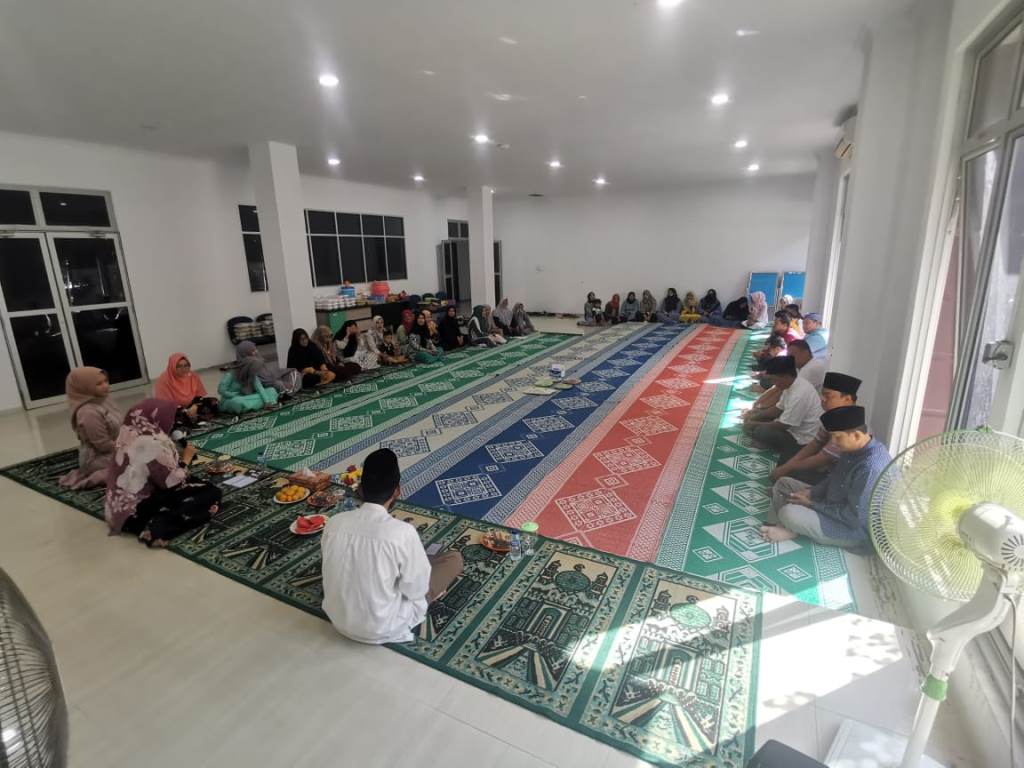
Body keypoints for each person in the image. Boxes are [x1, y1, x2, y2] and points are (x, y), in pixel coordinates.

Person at [320, 448, 464, 644]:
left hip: (338, 619)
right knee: (453, 559)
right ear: (397, 491)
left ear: (360, 490)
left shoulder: (335, 522)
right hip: (385, 627)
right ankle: (434, 589)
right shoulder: (403, 533)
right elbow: (415, 591)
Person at [762, 405, 892, 551]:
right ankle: (787, 527)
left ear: (856, 435)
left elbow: (854, 518)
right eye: (832, 437)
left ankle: (790, 527)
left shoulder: (870, 468)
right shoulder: (853, 448)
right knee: (784, 484)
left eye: (837, 437)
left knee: (789, 512)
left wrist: (811, 504)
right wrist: (812, 492)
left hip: (849, 529)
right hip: (831, 502)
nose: (834, 442)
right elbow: (834, 479)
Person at [104, 399, 222, 547]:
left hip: (116, 510)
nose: (172, 422)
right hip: (136, 513)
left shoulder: (127, 432)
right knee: (211, 493)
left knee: (196, 483)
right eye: (170, 418)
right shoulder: (153, 443)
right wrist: (186, 459)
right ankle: (156, 529)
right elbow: (172, 482)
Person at [770, 372, 860, 485]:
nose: (823, 400)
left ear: (847, 399)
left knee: (790, 474)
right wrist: (788, 466)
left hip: (838, 480)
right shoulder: (832, 416)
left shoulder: (850, 426)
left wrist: (787, 468)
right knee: (788, 459)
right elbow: (815, 444)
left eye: (828, 396)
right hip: (825, 466)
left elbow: (822, 458)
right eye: (822, 395)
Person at [742, 356, 822, 462]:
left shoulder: (799, 394)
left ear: (785, 376)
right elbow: (777, 408)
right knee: (758, 416)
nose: (774, 383)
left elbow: (784, 425)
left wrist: (755, 423)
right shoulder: (792, 384)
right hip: (792, 426)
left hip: (802, 439)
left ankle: (772, 443)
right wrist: (755, 416)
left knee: (761, 431)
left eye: (774, 379)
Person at [59, 367, 122, 490]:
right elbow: (103, 445)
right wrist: (128, 447)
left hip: (116, 447)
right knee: (139, 462)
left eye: (106, 381)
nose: (105, 386)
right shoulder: (87, 412)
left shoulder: (103, 400)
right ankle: (97, 476)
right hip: (97, 457)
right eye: (99, 384)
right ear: (84, 387)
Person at [154, 353, 218, 423]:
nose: (183, 369)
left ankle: (194, 418)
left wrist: (195, 405)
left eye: (186, 365)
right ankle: (194, 419)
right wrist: (185, 410)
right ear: (173, 366)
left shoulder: (193, 376)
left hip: (191, 405)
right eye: (179, 366)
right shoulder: (164, 380)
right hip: (174, 408)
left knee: (214, 402)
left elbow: (199, 395)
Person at [234, 340, 303, 396]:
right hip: (266, 387)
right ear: (245, 353)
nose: (256, 352)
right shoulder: (253, 363)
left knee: (288, 372)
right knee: (292, 375)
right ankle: (289, 391)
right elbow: (264, 381)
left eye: (255, 349)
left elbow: (266, 375)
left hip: (268, 383)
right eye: (252, 351)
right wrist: (279, 381)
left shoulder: (242, 363)